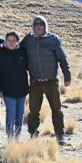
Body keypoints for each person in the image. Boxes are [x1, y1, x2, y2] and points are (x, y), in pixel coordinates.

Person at [20, 15, 71, 145]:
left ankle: (60, 136)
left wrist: (67, 75)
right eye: (36, 25)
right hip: (35, 82)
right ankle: (33, 134)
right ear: (33, 26)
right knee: (33, 111)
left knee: (56, 110)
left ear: (44, 26)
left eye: (41, 24)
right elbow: (17, 52)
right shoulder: (28, 40)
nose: (38, 27)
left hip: (51, 81)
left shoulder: (53, 39)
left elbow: (63, 59)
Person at [0, 31, 29, 139]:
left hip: (22, 89)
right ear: (6, 41)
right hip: (7, 91)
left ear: (17, 41)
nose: (11, 42)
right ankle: (9, 136)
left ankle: (17, 135)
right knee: (11, 113)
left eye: (14, 40)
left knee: (20, 113)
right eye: (9, 40)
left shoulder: (22, 52)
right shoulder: (0, 53)